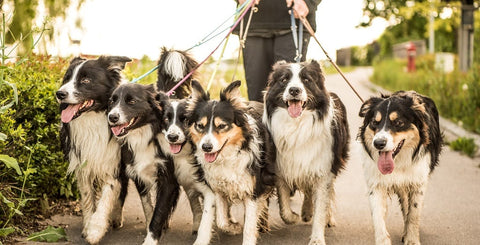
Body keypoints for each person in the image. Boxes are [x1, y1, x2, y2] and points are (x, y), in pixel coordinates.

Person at [235, 0, 322, 102]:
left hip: (294, 20)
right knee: (256, 97)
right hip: (254, 23)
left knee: (292, 95)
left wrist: (308, 2)